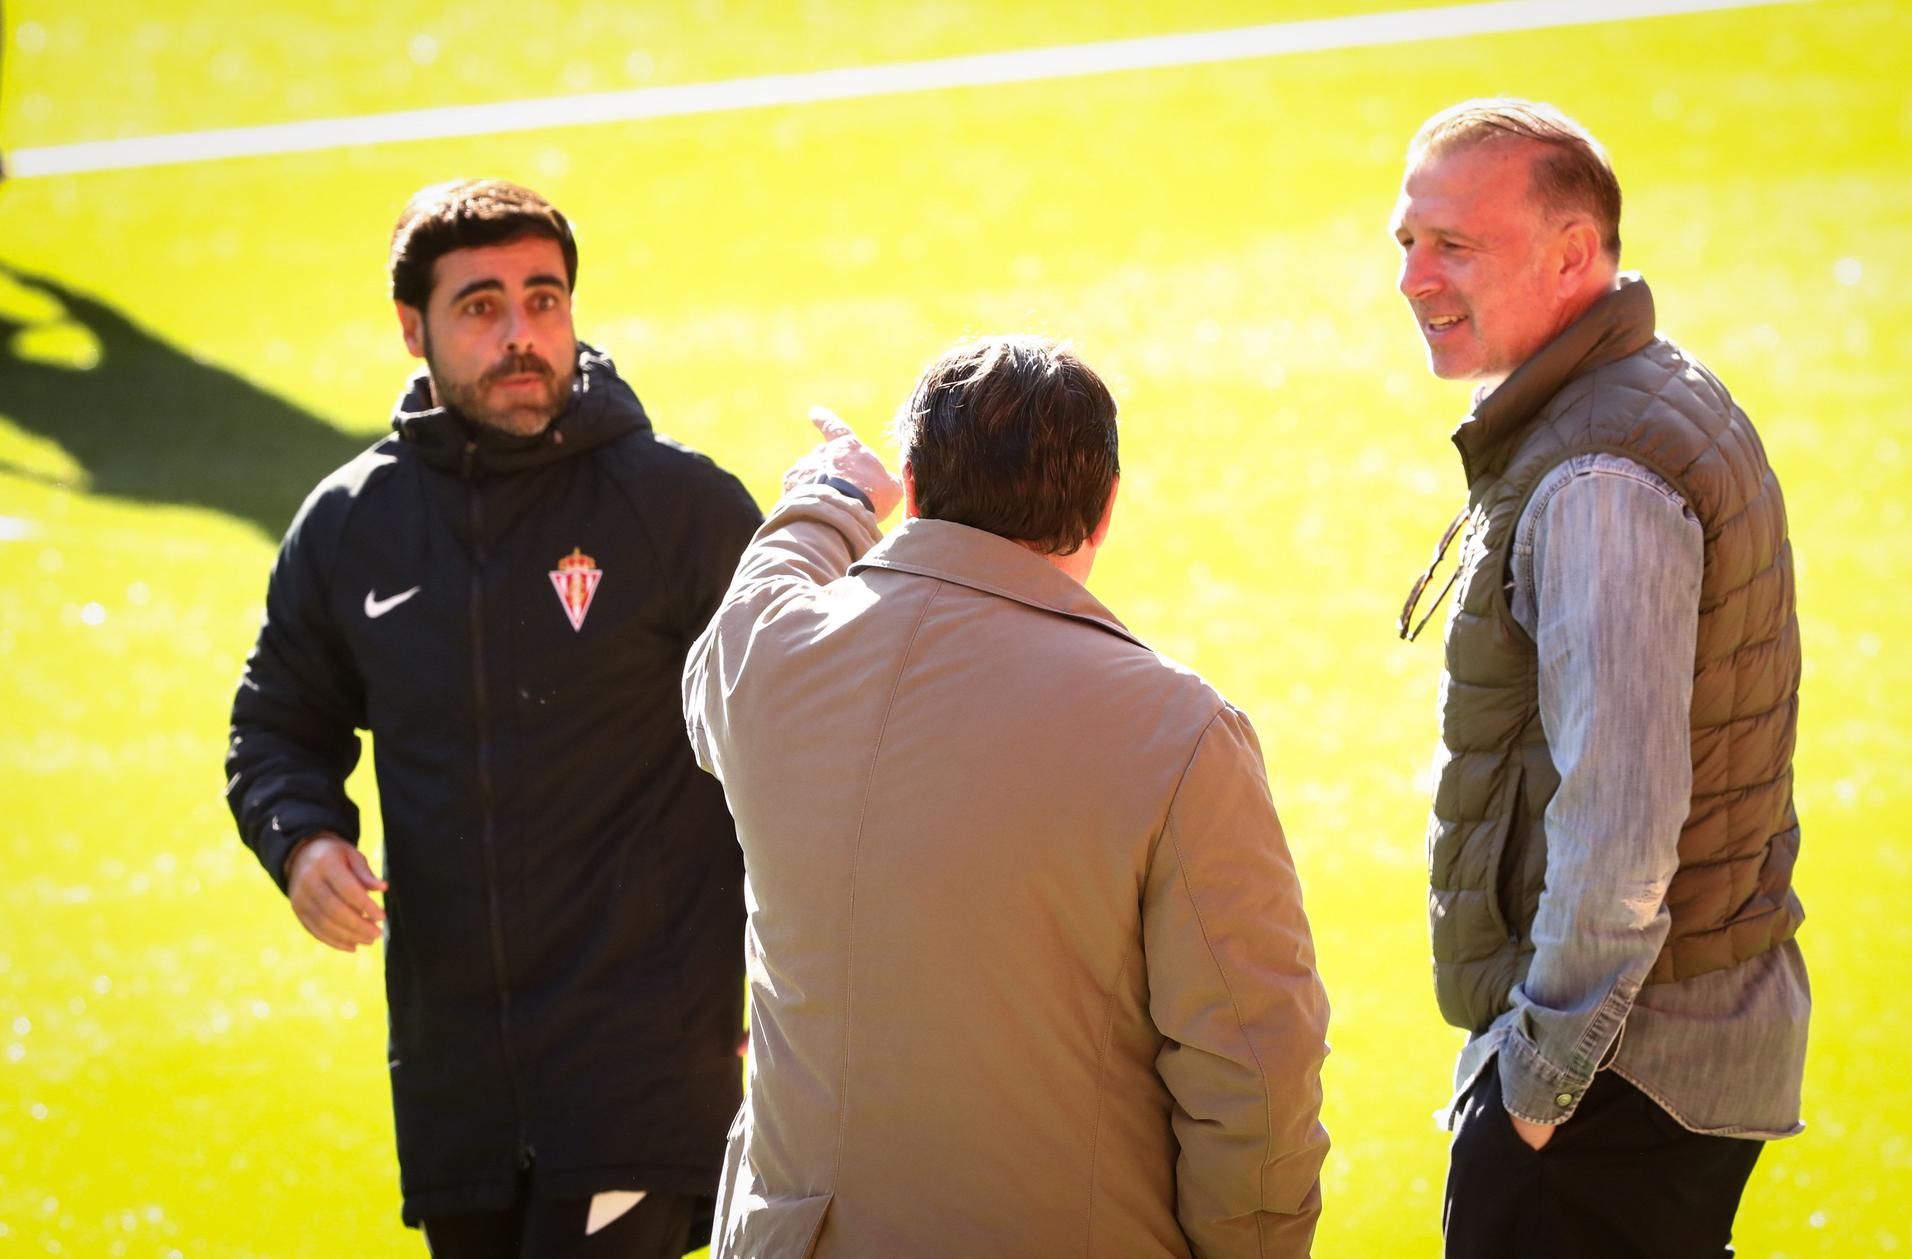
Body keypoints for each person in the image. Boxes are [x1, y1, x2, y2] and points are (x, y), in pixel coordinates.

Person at [680, 336, 1331, 1258]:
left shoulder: (766, 663)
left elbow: (760, 595)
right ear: (1105, 507)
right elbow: (1256, 1069)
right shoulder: (1178, 729)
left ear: (912, 478)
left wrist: (831, 498)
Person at [224, 179, 762, 1255]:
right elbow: (280, 721)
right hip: (456, 1074)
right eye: (481, 307)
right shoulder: (347, 527)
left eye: (544, 299)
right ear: (411, 329)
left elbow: (808, 736)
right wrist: (302, 836)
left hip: (641, 1064)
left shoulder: (680, 509)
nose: (523, 335)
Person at [1389, 99, 1811, 1256]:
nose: (1414, 278)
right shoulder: (1635, 396)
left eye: (1453, 245)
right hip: (1651, 1054)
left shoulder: (1597, 475)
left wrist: (1534, 1086)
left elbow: (1620, 822)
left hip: (1615, 1071)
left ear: (1574, 253)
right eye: (1406, 243)